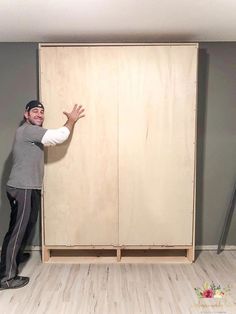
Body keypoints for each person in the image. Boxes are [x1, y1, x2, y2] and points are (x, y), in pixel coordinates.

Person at [0, 100, 85, 290]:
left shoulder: (31, 132)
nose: (39, 114)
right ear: (26, 114)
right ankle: (5, 277)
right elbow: (58, 136)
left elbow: (51, 138)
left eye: (42, 112)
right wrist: (71, 120)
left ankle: (12, 257)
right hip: (23, 188)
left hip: (28, 187)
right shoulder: (28, 130)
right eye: (35, 111)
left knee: (25, 226)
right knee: (17, 230)